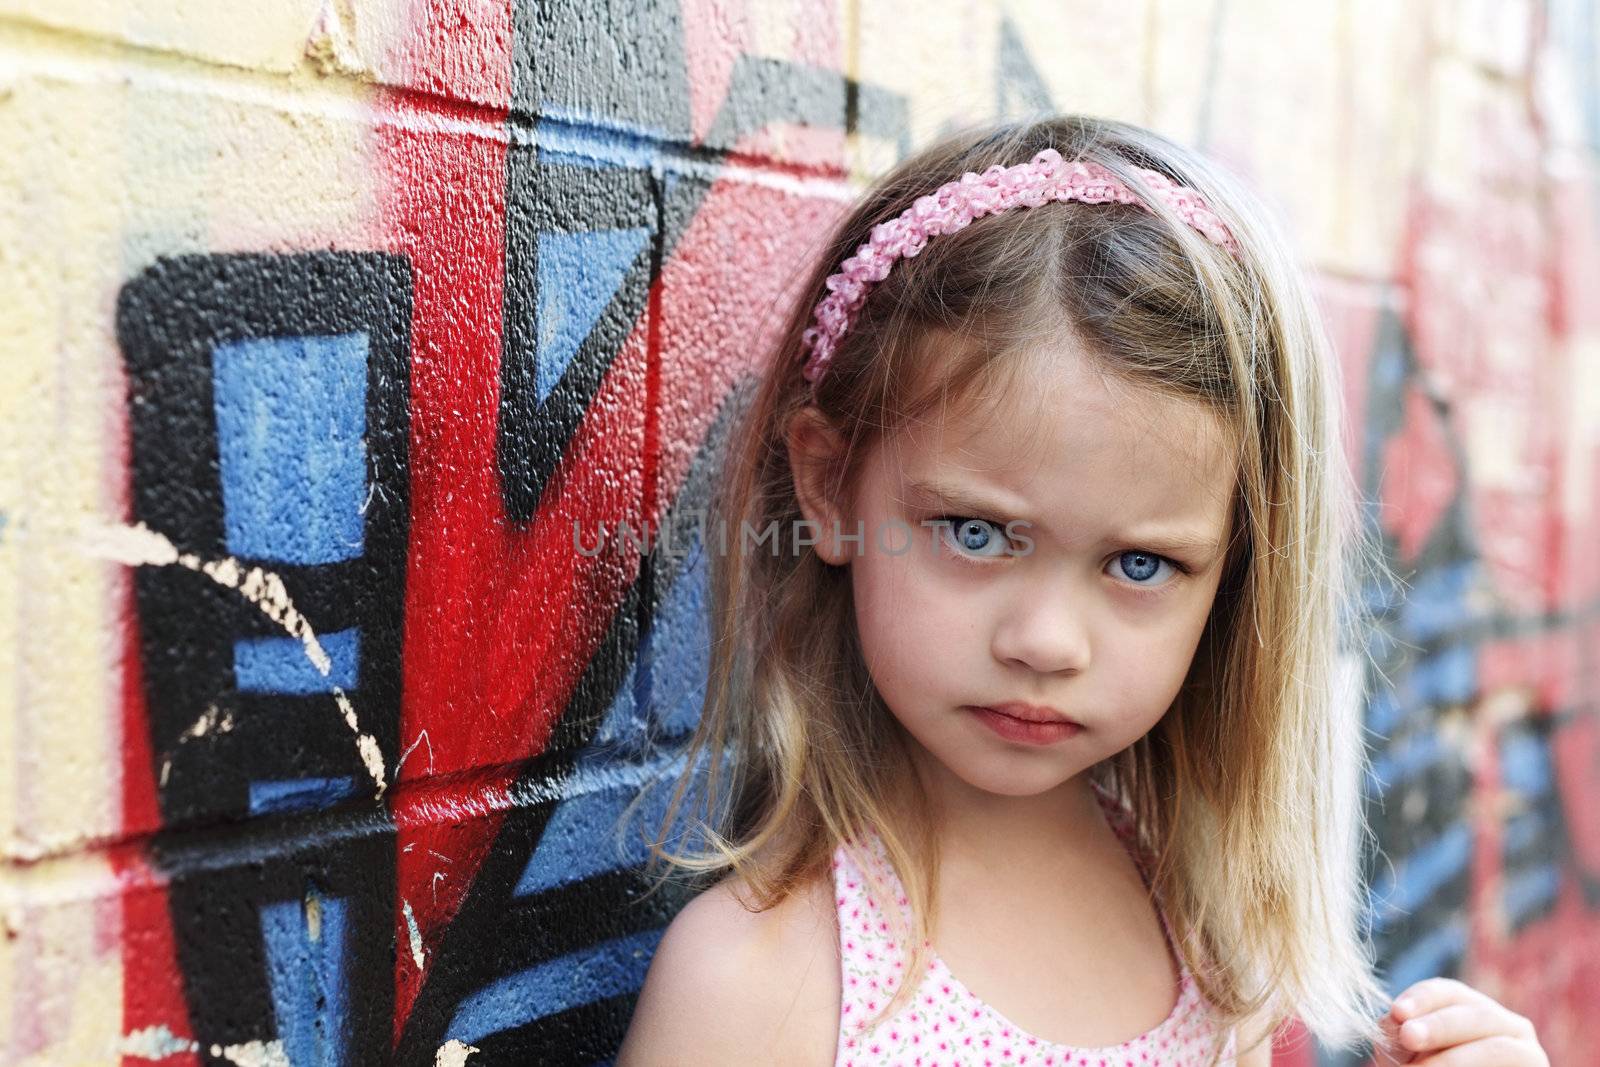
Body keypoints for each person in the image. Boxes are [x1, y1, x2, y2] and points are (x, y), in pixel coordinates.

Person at [613, 114, 1550, 1067]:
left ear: (1232, 574)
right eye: (975, 533)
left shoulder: (1207, 926)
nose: (1048, 640)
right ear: (828, 482)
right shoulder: (763, 984)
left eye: (1140, 564)